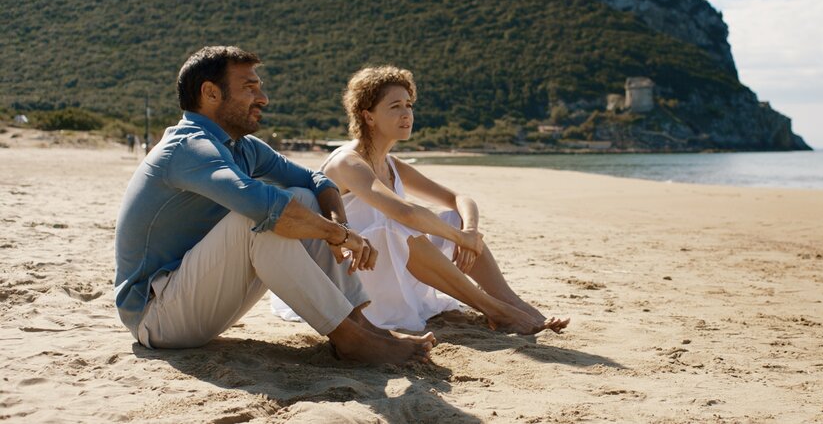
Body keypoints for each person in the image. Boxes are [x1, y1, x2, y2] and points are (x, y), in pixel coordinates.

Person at [113, 47, 433, 365]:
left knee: (301, 198)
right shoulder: (188, 148)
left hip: (196, 300)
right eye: (250, 88)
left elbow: (318, 182)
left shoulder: (243, 147)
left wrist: (342, 228)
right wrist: (337, 235)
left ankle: (361, 326)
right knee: (257, 221)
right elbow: (266, 209)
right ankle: (349, 340)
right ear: (210, 93)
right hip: (156, 317)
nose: (263, 97)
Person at [273, 66, 568, 335]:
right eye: (395, 106)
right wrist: (460, 238)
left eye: (409, 105)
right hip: (350, 273)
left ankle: (517, 305)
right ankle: (495, 310)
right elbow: (402, 211)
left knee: (454, 217)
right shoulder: (347, 162)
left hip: (388, 267)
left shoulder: (391, 164)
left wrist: (470, 232)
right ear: (368, 115)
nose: (406, 114)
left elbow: (458, 198)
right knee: (394, 226)